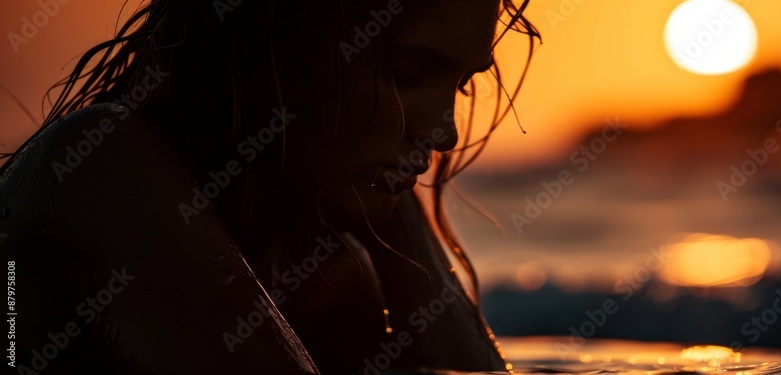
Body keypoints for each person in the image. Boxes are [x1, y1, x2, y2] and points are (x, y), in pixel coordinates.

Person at [0, 0, 539, 373]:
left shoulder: (321, 274)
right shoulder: (98, 164)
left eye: (459, 84)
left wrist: (388, 190)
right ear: (273, 42)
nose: (445, 132)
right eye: (408, 72)